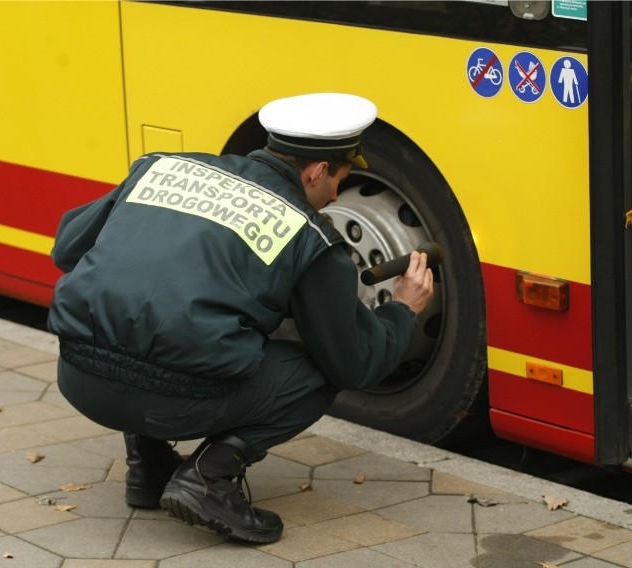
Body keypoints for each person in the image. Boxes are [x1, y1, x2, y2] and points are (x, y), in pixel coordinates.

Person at [47, 93, 434, 544]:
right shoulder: (308, 234)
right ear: (316, 171)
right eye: (340, 178)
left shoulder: (159, 169)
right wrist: (403, 309)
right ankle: (208, 478)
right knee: (317, 371)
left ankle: (148, 467)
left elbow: (67, 249)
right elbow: (354, 363)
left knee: (146, 314)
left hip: (78, 377)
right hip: (176, 402)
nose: (335, 195)